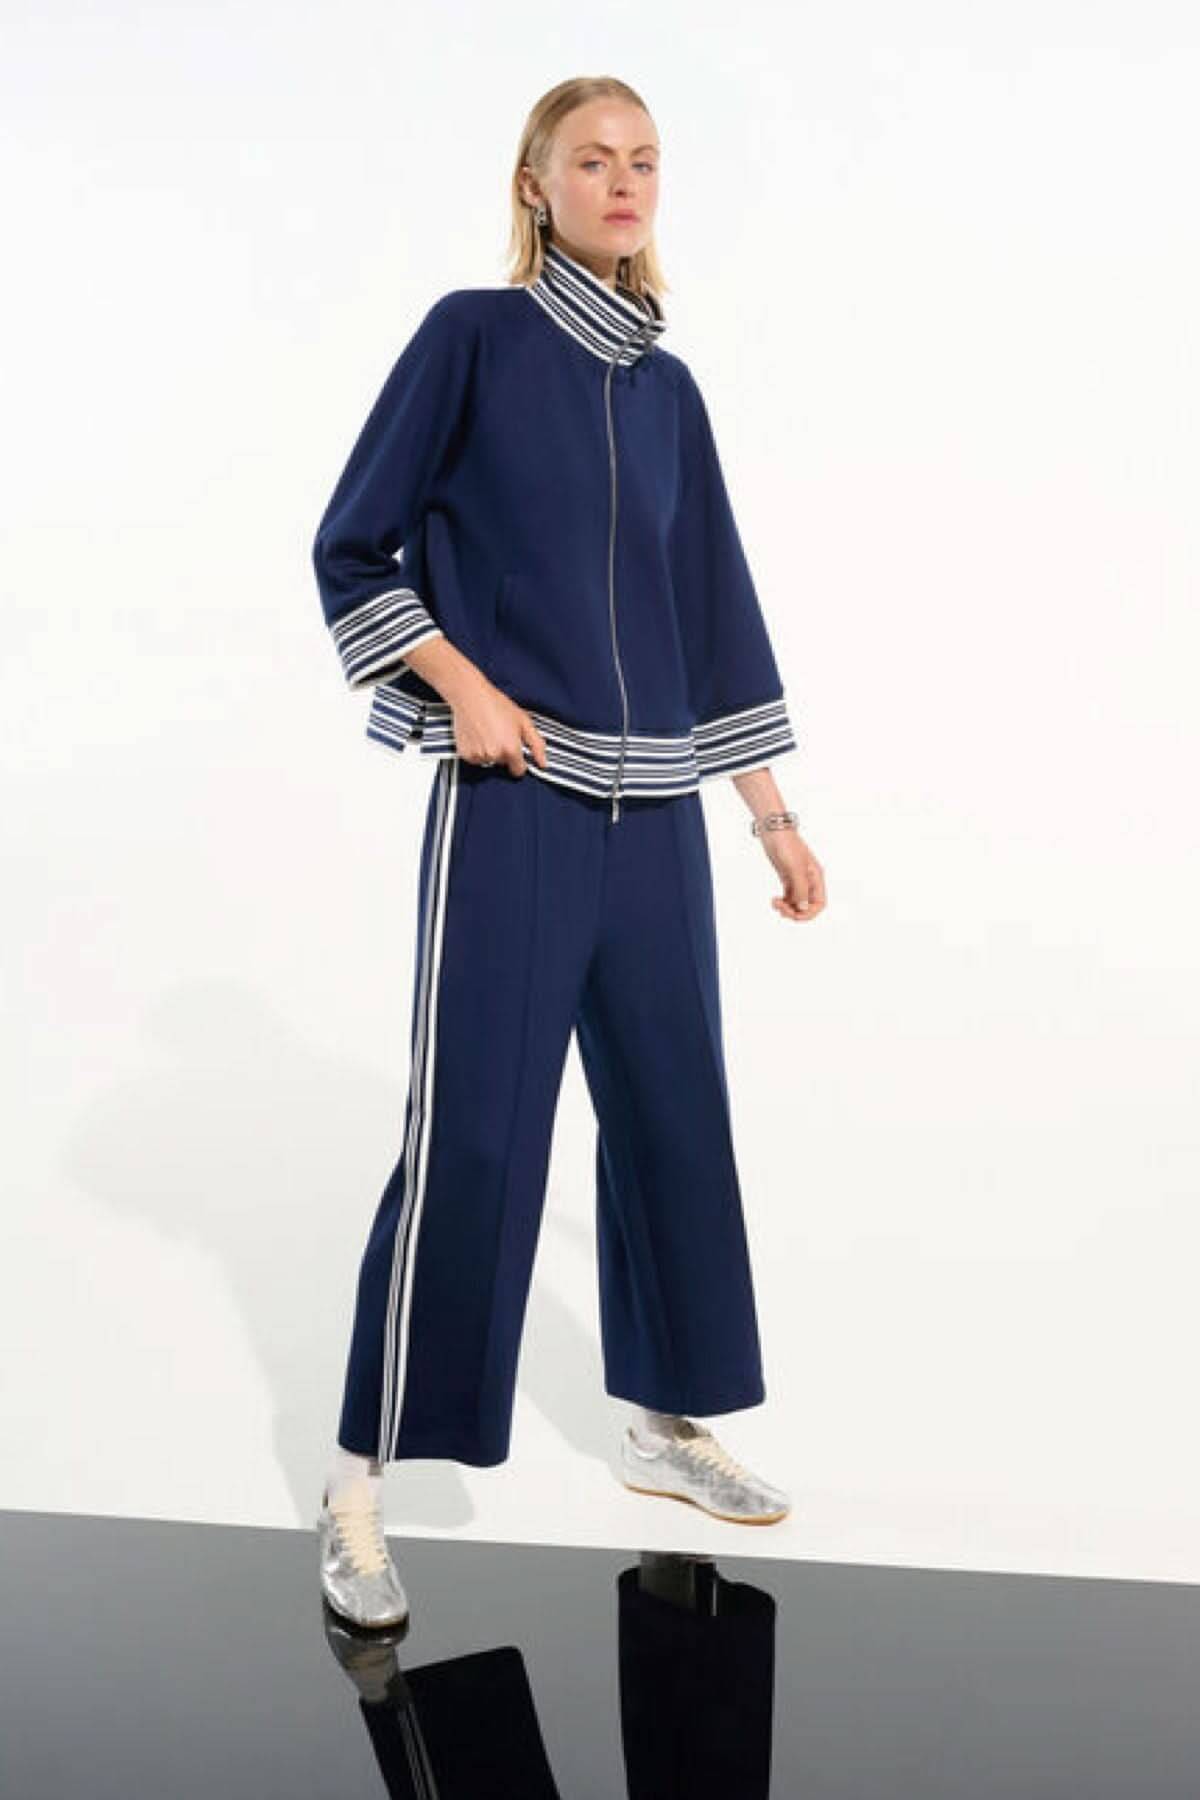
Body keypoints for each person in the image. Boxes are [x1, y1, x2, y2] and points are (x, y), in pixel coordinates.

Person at [310, 75, 827, 1630]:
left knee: (676, 1121)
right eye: (591, 160)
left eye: (643, 160)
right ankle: (354, 1491)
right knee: (475, 1141)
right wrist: (463, 687)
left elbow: (712, 609)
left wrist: (772, 815)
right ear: (535, 184)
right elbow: (352, 546)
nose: (623, 181)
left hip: (658, 818)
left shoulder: (669, 392)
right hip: (518, 804)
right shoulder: (471, 339)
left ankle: (667, 1422)